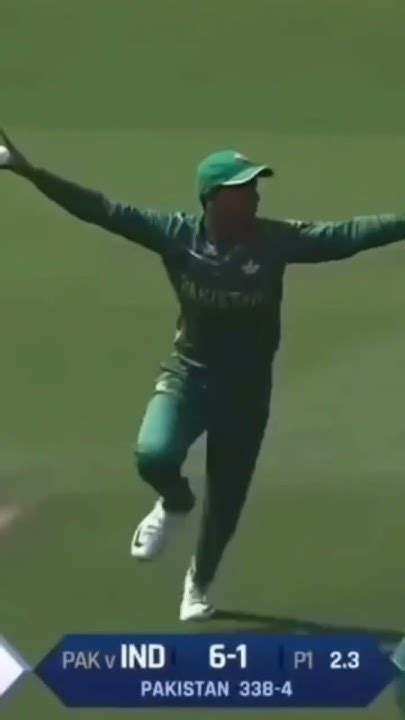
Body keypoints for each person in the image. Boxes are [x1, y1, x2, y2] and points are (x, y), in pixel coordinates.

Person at [1, 129, 405, 621]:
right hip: (189, 375)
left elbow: (347, 237)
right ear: (214, 198)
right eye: (244, 188)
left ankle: (199, 581)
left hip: (247, 391)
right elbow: (103, 210)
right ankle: (175, 502)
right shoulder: (176, 235)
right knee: (153, 455)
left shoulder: (274, 241)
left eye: (254, 186)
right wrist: (33, 174)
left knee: (227, 496)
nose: (255, 195)